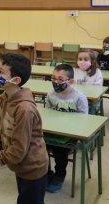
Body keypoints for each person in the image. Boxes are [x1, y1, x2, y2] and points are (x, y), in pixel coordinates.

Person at [0, 54, 48, 204]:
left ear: (16, 80)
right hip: (20, 165)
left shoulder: (24, 110)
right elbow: (4, 126)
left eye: (0, 72)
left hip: (32, 168)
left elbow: (19, 150)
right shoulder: (5, 96)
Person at [45, 63, 88, 193]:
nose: (56, 82)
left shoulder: (79, 97)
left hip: (70, 134)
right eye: (53, 78)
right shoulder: (51, 94)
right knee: (39, 145)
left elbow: (84, 119)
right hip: (53, 130)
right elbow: (47, 113)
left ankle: (59, 175)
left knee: (60, 151)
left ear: (71, 81)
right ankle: (46, 172)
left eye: (60, 79)